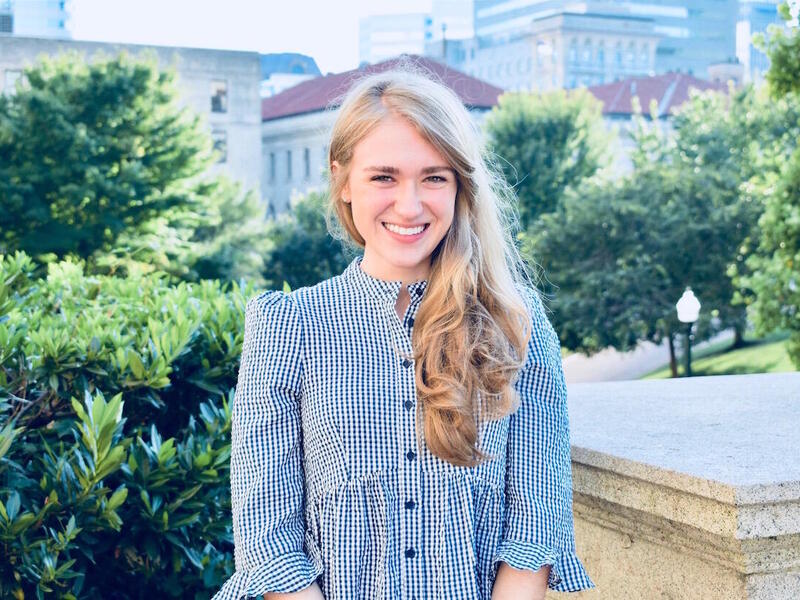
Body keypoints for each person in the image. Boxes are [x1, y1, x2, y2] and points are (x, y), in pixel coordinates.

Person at [212, 62, 594, 600]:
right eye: (383, 177)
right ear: (343, 180)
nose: (410, 205)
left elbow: (534, 533)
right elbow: (268, 539)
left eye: (434, 177)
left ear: (460, 187)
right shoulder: (288, 326)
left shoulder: (517, 321)